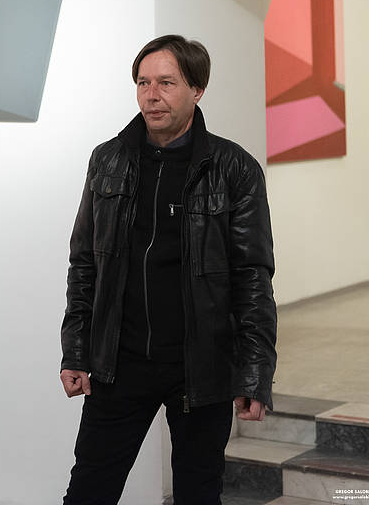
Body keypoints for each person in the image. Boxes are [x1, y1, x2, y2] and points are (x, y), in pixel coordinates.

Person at [59, 35, 277, 504]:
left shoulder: (234, 169)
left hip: (201, 367)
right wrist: (75, 349)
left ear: (197, 89)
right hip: (120, 364)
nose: (151, 95)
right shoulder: (108, 160)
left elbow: (252, 278)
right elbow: (84, 263)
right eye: (143, 83)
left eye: (166, 83)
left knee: (199, 493)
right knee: (89, 491)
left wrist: (255, 371)